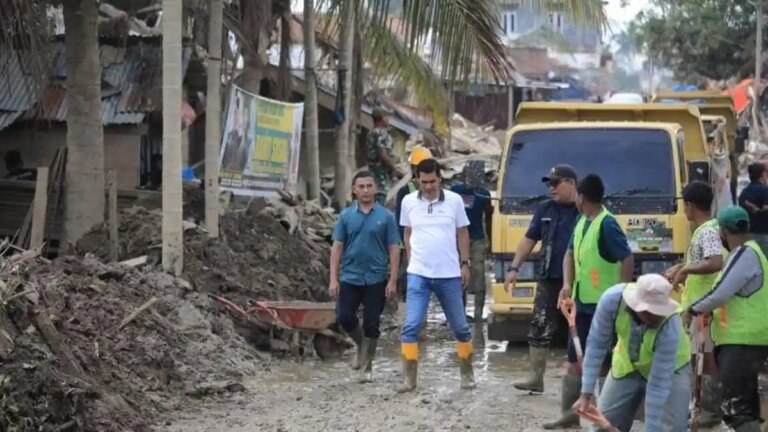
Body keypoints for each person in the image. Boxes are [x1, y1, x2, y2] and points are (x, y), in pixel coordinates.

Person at [549, 173, 634, 429]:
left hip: (603, 307)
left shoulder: (607, 224)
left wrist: (622, 295)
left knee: (603, 363)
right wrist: (566, 284)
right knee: (574, 361)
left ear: (582, 196)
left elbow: (627, 259)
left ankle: (605, 417)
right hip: (580, 304)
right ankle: (569, 416)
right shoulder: (583, 220)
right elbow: (569, 254)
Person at [572, 274, 692, 432]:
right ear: (635, 304)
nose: (653, 316)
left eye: (658, 311)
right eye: (648, 311)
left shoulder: (670, 323)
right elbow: (596, 345)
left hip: (672, 369)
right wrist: (586, 393)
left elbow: (659, 386)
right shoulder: (612, 301)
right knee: (602, 425)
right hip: (628, 364)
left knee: (670, 428)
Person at [689, 206, 768, 432]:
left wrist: (693, 309)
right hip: (747, 339)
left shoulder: (746, 254)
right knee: (746, 407)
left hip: (743, 341)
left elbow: (721, 293)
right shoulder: (747, 253)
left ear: (723, 232)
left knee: (737, 409)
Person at [399, 158, 474, 392]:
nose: (429, 186)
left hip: (449, 274)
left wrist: (465, 263)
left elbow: (463, 233)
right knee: (410, 326)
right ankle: (409, 381)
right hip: (418, 274)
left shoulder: (454, 202)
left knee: (460, 327)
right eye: (424, 182)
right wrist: (411, 261)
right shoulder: (408, 201)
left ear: (440, 178)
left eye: (432, 181)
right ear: (417, 180)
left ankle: (467, 374)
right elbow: (407, 232)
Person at [505, 164, 580, 395]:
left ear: (571, 183)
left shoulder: (585, 211)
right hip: (548, 279)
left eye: (556, 183)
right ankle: (536, 378)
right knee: (539, 326)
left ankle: (583, 385)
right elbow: (528, 240)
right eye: (549, 184)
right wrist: (514, 268)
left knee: (580, 330)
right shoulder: (544, 209)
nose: (551, 188)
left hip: (579, 282)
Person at [329, 171, 401, 383]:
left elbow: (394, 248)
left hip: (376, 278)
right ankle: (362, 346)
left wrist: (393, 279)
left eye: (369, 186)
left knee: (372, 322)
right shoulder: (346, 216)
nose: (366, 190)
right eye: (361, 187)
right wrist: (333, 278)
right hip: (350, 276)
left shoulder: (386, 217)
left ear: (375, 189)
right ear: (354, 190)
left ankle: (367, 366)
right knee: (344, 316)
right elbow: (337, 247)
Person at [663, 181, 724, 426]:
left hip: (704, 308)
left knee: (705, 358)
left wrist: (686, 267)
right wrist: (681, 267)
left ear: (689, 205)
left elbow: (715, 262)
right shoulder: (703, 229)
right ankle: (699, 406)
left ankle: (709, 410)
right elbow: (701, 260)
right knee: (697, 357)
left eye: (684, 205)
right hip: (697, 307)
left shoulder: (708, 230)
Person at [395, 146, 432, 332]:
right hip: (409, 246)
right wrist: (403, 248)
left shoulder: (437, 192)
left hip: (428, 247)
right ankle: (407, 324)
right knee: (406, 283)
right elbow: (399, 223)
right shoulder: (405, 193)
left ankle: (420, 325)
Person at [451, 160, 492, 323]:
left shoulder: (484, 194)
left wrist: (491, 241)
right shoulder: (455, 191)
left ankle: (478, 314)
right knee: (458, 275)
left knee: (479, 275)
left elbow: (489, 217)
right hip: (457, 238)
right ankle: (460, 313)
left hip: (477, 238)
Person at [367, 107, 403, 205]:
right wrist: (393, 167)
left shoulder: (371, 132)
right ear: (382, 118)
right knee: (380, 201)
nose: (389, 119)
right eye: (387, 117)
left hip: (373, 174)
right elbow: (382, 153)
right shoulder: (381, 133)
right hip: (381, 175)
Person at [738, 162, 768, 254]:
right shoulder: (765, 190)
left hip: (747, 235)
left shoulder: (744, 192)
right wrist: (758, 210)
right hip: (763, 234)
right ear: (762, 174)